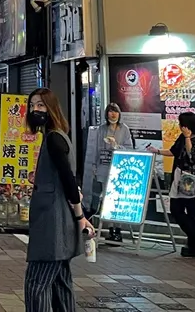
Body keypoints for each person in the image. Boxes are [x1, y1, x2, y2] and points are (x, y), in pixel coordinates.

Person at [24, 88, 91, 312]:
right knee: (61, 284)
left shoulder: (54, 138)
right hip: (57, 223)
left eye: (41, 105)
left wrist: (81, 216)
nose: (35, 109)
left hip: (52, 225)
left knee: (36, 284)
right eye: (32, 105)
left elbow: (68, 179)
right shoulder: (56, 136)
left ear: (51, 108)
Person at [163, 111, 195, 258]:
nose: (180, 127)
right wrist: (156, 151)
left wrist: (188, 138)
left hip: (191, 181)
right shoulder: (181, 138)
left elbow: (193, 156)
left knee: (192, 211)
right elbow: (174, 151)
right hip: (178, 177)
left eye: (181, 124)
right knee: (176, 209)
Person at [91, 103, 133, 242]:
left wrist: (116, 146)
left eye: (115, 111)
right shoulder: (101, 129)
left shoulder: (124, 129)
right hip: (104, 166)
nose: (113, 114)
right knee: (106, 199)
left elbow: (130, 149)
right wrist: (94, 166)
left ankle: (118, 229)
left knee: (117, 199)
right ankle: (110, 228)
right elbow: (96, 148)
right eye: (110, 111)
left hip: (119, 167)